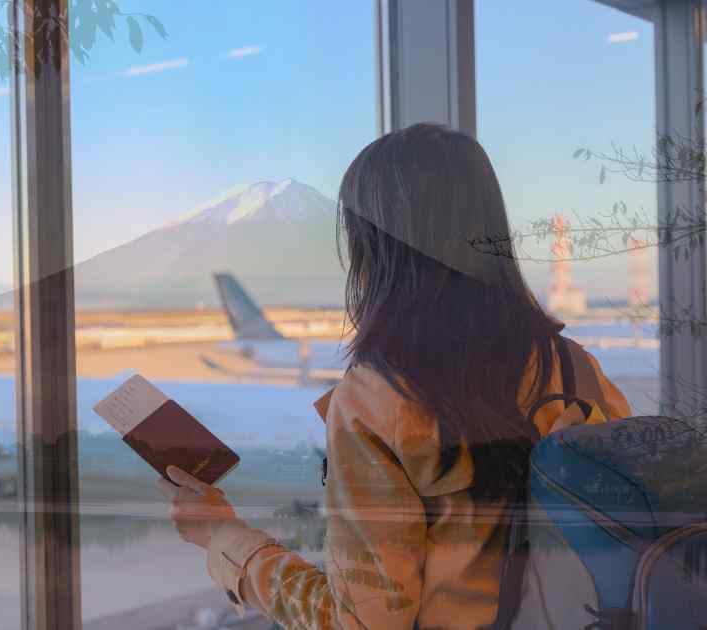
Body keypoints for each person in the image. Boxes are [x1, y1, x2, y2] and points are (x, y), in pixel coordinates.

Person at [156, 123, 631, 630]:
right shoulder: (577, 369)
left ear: (373, 248)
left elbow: (361, 623)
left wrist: (223, 537)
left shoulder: (381, 400)